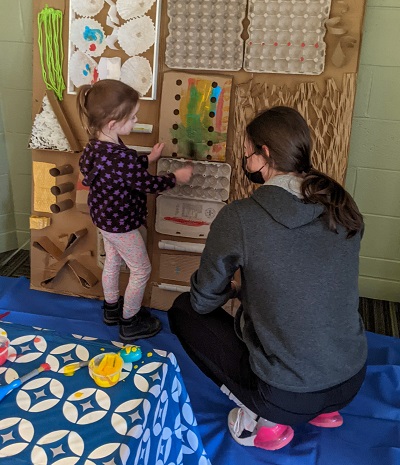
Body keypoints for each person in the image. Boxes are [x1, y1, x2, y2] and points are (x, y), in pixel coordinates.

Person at [168, 106, 367, 452]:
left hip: (285, 397)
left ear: (265, 155)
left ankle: (262, 422)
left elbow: (202, 300)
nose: (245, 163)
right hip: (351, 379)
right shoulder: (340, 202)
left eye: (246, 154)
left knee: (183, 310)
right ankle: (324, 411)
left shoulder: (241, 217)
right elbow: (315, 280)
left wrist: (234, 289)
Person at [78, 79, 192, 343]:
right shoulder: (121, 158)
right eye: (132, 118)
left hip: (103, 219)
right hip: (122, 224)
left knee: (114, 261)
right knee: (141, 270)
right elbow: (146, 184)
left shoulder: (95, 146)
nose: (136, 120)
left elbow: (119, 171)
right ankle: (129, 321)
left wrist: (147, 158)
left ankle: (110, 309)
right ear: (112, 124)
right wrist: (175, 177)